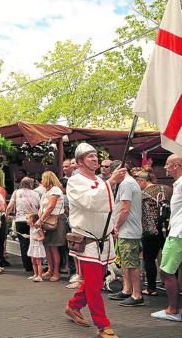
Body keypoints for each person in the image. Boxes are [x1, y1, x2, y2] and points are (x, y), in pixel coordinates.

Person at [65, 142, 126, 338]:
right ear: (80, 161)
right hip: (88, 240)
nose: (95, 158)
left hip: (104, 239)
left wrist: (113, 226)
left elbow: (109, 206)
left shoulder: (101, 181)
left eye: (95, 155)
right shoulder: (75, 182)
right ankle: (103, 326)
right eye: (90, 156)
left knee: (97, 281)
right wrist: (112, 182)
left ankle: (73, 305)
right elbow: (89, 202)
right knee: (93, 284)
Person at [108, 160, 144, 307]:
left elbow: (125, 209)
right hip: (127, 230)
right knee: (126, 261)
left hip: (129, 230)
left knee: (131, 263)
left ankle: (137, 295)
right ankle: (127, 290)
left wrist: (116, 225)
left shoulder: (126, 184)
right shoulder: (128, 183)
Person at [151, 154, 182, 322]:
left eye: (168, 164)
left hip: (178, 234)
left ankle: (173, 309)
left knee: (166, 271)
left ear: (176, 166)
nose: (165, 168)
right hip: (176, 232)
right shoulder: (178, 184)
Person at [134, 170, 172, 297]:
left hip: (151, 230)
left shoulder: (142, 194)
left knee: (149, 259)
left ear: (142, 181)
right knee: (170, 259)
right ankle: (172, 286)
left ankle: (151, 288)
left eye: (137, 182)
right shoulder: (167, 188)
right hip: (168, 228)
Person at [36, 171, 67, 282]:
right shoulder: (47, 192)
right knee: (48, 246)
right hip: (48, 221)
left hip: (56, 220)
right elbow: (43, 208)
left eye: (43, 179)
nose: (41, 181)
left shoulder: (55, 190)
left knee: (53, 247)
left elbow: (51, 207)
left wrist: (40, 219)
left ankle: (56, 272)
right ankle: (50, 269)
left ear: (48, 179)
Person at [6, 177, 40, 273]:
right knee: (33, 242)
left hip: (20, 220)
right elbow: (39, 206)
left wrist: (7, 215)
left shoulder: (16, 192)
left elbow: (10, 206)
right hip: (33, 220)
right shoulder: (36, 193)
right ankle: (36, 265)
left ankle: (27, 266)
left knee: (23, 244)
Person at [26, 213, 46, 282]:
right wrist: (28, 236)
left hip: (37, 246)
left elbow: (43, 237)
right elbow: (32, 236)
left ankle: (40, 276)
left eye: (28, 219)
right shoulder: (31, 227)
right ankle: (35, 274)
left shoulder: (37, 228)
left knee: (38, 262)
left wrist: (38, 239)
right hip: (32, 246)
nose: (26, 220)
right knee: (33, 261)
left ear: (33, 220)